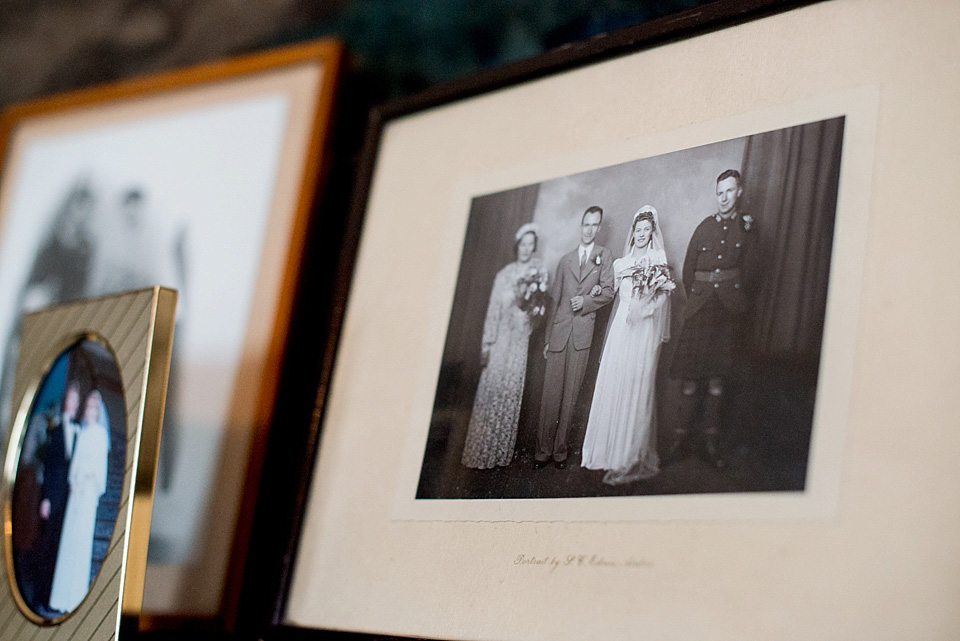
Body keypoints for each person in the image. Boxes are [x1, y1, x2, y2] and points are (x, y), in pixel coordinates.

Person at [667, 169, 758, 468]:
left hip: (728, 312)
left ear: (739, 192)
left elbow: (754, 272)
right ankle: (680, 441)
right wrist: (700, 296)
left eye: (729, 191)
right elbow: (687, 271)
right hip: (700, 311)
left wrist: (732, 298)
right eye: (719, 192)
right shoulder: (704, 227)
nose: (723, 198)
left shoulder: (747, 230)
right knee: (691, 381)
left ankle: (711, 443)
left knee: (717, 382)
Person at [581, 206, 671, 484]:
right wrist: (597, 289)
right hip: (622, 328)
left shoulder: (657, 259)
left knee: (636, 386)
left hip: (643, 329)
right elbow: (610, 291)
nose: (642, 235)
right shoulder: (621, 263)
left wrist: (644, 310)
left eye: (647, 230)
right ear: (632, 233)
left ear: (652, 232)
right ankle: (605, 452)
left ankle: (627, 456)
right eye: (638, 230)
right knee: (614, 382)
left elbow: (663, 298)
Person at [461, 223, 547, 469]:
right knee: (491, 391)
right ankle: (481, 452)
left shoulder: (538, 273)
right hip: (500, 340)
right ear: (517, 245)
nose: (526, 249)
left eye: (531, 245)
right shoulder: (503, 274)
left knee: (509, 391)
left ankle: (499, 454)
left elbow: (538, 312)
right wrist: (487, 344)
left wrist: (528, 321)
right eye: (523, 244)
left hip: (519, 341)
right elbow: (493, 311)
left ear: (534, 247)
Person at [536, 206, 614, 469]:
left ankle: (559, 451)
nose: (590, 229)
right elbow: (555, 301)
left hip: (582, 335)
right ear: (580, 226)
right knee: (550, 395)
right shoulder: (565, 260)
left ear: (599, 228)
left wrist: (588, 300)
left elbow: (609, 292)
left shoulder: (605, 256)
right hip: (559, 332)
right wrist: (548, 338)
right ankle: (542, 451)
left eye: (595, 225)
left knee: (570, 396)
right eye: (586, 225)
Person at [48, 389, 110, 614]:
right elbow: (74, 464)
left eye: (93, 408)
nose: (89, 412)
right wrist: (74, 479)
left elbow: (100, 469)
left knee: (81, 542)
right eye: (88, 408)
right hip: (75, 493)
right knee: (68, 542)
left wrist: (87, 479)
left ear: (98, 411)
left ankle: (73, 599)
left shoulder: (100, 436)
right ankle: (59, 598)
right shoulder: (83, 433)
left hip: (87, 495)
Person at [35, 381, 82, 612]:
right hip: (53, 497)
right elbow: (50, 467)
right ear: (66, 402)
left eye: (76, 400)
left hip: (70, 502)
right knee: (46, 547)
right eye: (70, 400)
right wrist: (45, 498)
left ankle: (52, 597)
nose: (73, 404)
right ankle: (39, 596)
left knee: (59, 550)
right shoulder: (54, 430)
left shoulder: (79, 430)